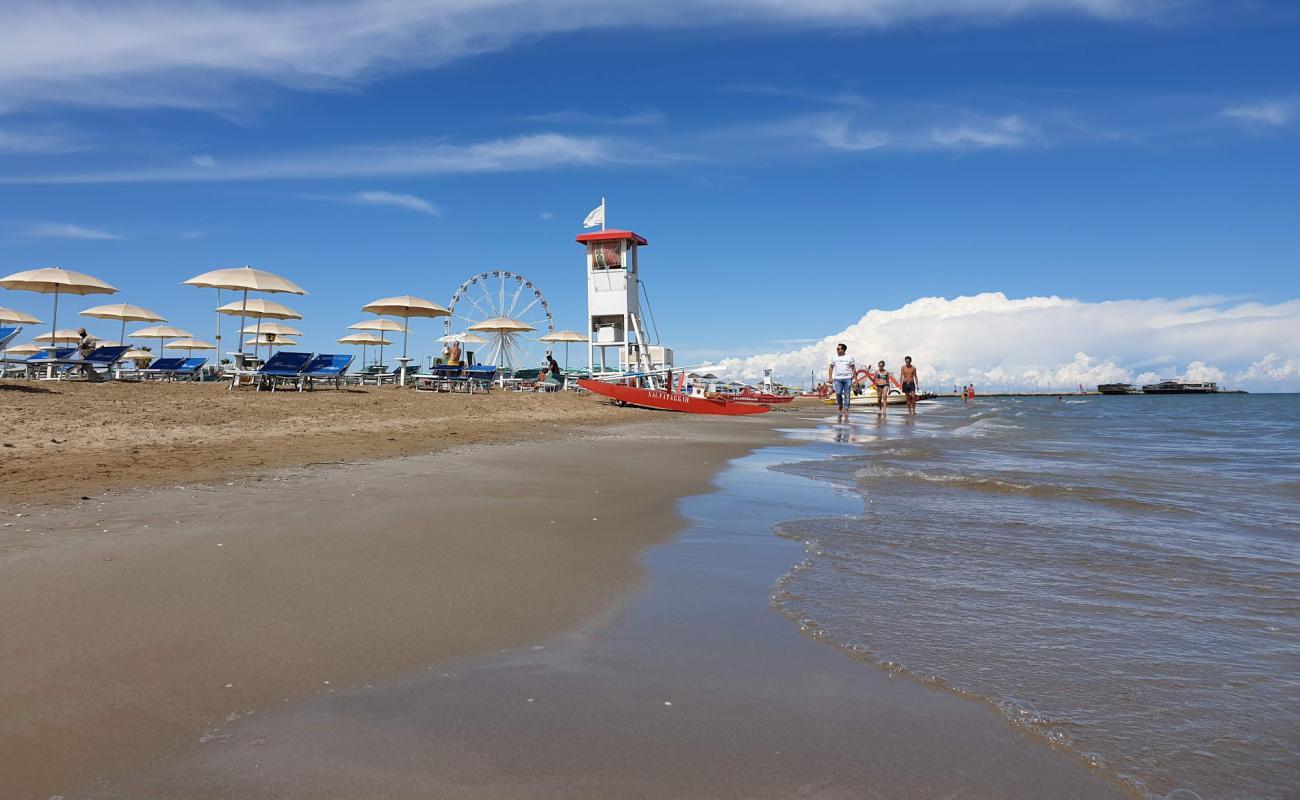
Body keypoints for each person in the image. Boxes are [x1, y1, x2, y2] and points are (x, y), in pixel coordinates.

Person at [827, 343, 855, 422]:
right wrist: (830, 377)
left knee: (847, 394)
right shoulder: (834, 357)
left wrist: (855, 379)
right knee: (838, 393)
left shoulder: (849, 357)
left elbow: (853, 368)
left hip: (847, 378)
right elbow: (831, 368)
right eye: (837, 349)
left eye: (839, 349)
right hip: (837, 378)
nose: (837, 350)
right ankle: (840, 405)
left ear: (843, 350)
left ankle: (846, 409)